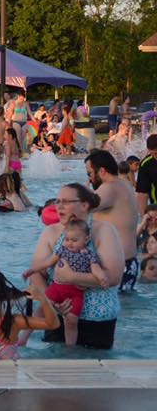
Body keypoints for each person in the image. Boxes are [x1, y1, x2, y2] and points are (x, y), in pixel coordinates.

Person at [27, 183, 123, 349]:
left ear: (84, 205)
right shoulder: (50, 232)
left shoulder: (104, 230)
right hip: (58, 315)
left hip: (96, 319)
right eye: (57, 202)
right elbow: (36, 273)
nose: (59, 206)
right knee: (55, 368)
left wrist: (72, 277)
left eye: (65, 201)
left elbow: (114, 277)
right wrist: (50, 303)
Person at [23, 219, 108, 346]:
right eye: (67, 239)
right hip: (56, 288)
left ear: (86, 239)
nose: (70, 243)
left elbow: (95, 268)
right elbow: (47, 262)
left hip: (75, 293)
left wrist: (102, 278)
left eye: (74, 240)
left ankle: (70, 348)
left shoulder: (89, 255)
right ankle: (24, 337)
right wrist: (31, 270)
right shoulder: (62, 250)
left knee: (72, 320)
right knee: (41, 310)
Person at [85, 149, 141, 292]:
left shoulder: (110, 188)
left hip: (116, 267)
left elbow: (82, 207)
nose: (90, 179)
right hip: (128, 262)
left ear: (102, 171)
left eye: (90, 173)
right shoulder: (123, 185)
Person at [134, 134, 157, 216]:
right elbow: (142, 194)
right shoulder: (146, 164)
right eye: (154, 154)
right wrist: (144, 217)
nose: (156, 157)